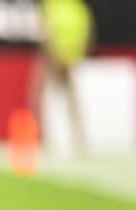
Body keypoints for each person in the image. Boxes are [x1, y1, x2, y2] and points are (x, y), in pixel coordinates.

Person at [30, 0, 95, 153]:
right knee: (68, 100)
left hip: (56, 58)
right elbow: (86, 34)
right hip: (66, 58)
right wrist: (72, 56)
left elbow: (45, 31)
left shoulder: (53, 5)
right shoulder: (77, 7)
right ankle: (73, 139)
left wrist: (60, 55)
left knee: (43, 98)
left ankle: (46, 138)